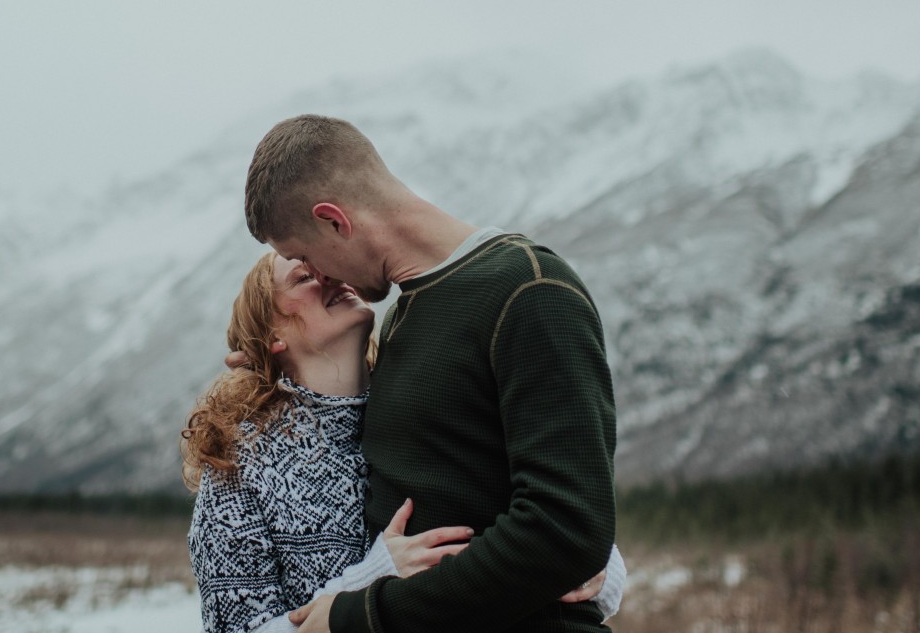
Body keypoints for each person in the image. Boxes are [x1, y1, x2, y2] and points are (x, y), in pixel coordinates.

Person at [243, 114, 619, 633]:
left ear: (335, 220)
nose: (321, 277)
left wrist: (361, 617)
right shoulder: (399, 317)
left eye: (303, 256)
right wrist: (259, 374)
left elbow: (567, 527)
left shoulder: (529, 290)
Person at [183, 252, 625, 633]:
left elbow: (522, 520)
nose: (328, 277)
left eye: (326, 267)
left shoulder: (427, 407)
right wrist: (375, 577)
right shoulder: (239, 464)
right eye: (303, 277)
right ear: (272, 337)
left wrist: (599, 564)